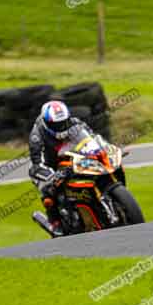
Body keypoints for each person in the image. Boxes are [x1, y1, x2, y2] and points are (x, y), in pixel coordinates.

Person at [27, 100, 94, 236]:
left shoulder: (75, 122)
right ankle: (56, 223)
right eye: (56, 125)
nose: (61, 127)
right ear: (47, 123)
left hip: (70, 157)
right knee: (48, 189)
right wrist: (52, 176)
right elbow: (37, 164)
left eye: (64, 122)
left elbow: (92, 138)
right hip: (47, 165)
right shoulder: (36, 136)